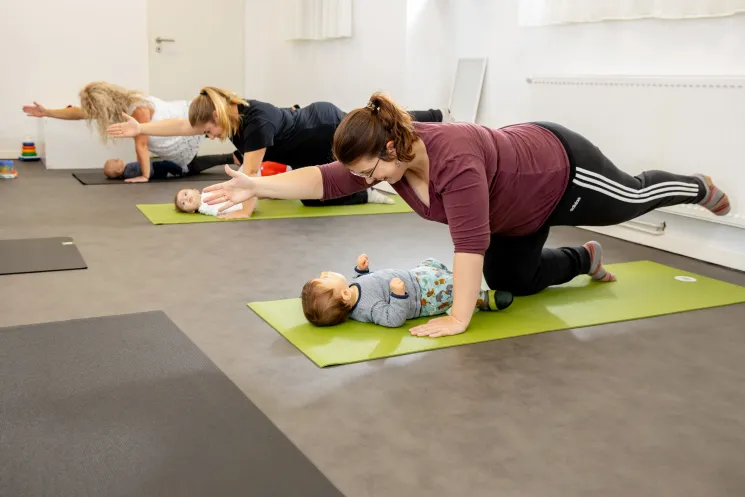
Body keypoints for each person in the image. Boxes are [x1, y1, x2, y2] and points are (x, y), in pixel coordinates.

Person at [196, 92, 731, 338]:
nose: (364, 183)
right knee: (513, 280)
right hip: (516, 216)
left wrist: (458, 317)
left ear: (390, 148)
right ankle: (582, 258)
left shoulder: (456, 161)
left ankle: (695, 185)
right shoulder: (389, 161)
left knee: (630, 201)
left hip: (559, 172)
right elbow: (326, 178)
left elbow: (468, 243)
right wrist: (255, 185)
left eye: (369, 173)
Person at [105, 87, 449, 205]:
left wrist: (237, 212)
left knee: (381, 131)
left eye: (207, 128)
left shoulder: (255, 125)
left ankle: (435, 117)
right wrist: (142, 127)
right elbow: (183, 124)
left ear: (216, 115)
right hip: (309, 139)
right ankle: (371, 191)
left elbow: (251, 176)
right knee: (311, 199)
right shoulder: (235, 115)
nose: (204, 134)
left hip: (322, 128)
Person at [22, 82, 234, 183]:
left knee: (218, 131)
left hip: (179, 127)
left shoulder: (139, 109)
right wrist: (47, 112)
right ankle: (234, 157)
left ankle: (243, 152)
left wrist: (144, 175)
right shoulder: (121, 106)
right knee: (189, 162)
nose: (95, 114)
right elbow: (80, 113)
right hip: (172, 131)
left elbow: (140, 145)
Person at [302, 254, 513, 328]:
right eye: (325, 278)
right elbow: (393, 319)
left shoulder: (352, 292)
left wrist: (362, 270)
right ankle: (482, 299)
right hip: (424, 295)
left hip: (415, 277)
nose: (324, 272)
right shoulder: (369, 309)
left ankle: (445, 275)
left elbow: (367, 283)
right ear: (345, 295)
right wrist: (397, 294)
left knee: (430, 262)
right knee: (453, 287)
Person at [173, 186, 256, 219]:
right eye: (183, 203)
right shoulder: (203, 208)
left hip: (239, 194)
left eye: (185, 194)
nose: (186, 198)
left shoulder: (206, 191)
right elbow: (218, 211)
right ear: (191, 211)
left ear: (195, 190)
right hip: (242, 203)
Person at [103, 158, 186, 180]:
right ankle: (181, 170)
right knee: (167, 164)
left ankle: (178, 171)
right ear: (119, 170)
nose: (118, 159)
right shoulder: (127, 171)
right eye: (117, 160)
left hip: (153, 170)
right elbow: (139, 171)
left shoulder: (126, 172)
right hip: (153, 168)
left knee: (166, 165)